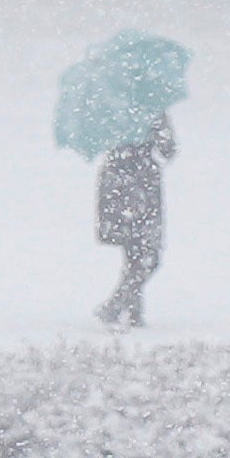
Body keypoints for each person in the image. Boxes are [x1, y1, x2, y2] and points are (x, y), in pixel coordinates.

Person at [92, 111, 174, 328]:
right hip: (142, 181)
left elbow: (96, 140)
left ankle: (132, 309)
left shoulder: (108, 106)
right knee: (147, 254)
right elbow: (168, 149)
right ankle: (117, 304)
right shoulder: (151, 106)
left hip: (115, 181)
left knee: (133, 250)